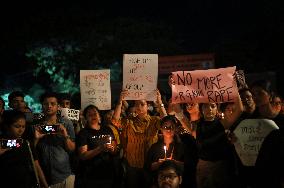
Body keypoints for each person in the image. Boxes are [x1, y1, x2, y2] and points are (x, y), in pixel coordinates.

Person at [111, 89, 167, 188]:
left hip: (150, 165)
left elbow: (166, 122)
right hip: (132, 165)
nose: (139, 107)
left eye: (142, 104)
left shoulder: (154, 120)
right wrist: (120, 102)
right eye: (136, 104)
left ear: (148, 106)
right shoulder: (129, 121)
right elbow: (115, 121)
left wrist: (160, 103)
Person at [33, 91, 76, 187]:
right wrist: (36, 139)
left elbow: (72, 149)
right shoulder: (36, 125)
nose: (49, 106)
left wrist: (65, 136)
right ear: (42, 106)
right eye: (45, 104)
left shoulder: (66, 123)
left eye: (53, 104)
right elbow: (31, 153)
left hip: (65, 175)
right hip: (44, 176)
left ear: (58, 106)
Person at [0, 110, 48, 188]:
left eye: (23, 126)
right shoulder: (1, 142)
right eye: (17, 126)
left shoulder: (26, 142)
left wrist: (45, 185)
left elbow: (36, 165)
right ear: (7, 126)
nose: (21, 130)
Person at [75, 105, 117, 188]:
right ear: (86, 118)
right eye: (89, 115)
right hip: (90, 175)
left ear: (99, 115)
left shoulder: (107, 129)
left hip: (107, 173)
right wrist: (100, 148)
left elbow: (114, 150)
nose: (93, 116)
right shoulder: (83, 133)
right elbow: (83, 156)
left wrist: (112, 149)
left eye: (95, 113)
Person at [145, 115, 186, 188]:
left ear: (175, 129)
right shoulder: (155, 147)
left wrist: (173, 162)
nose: (168, 130)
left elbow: (187, 166)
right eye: (165, 127)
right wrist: (158, 164)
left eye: (171, 127)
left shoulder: (181, 146)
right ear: (161, 129)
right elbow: (147, 166)